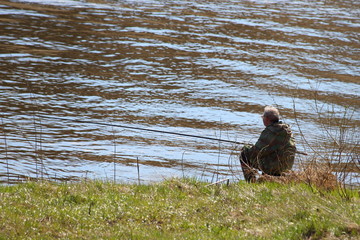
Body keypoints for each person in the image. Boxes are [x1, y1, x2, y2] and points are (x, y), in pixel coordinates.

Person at [240, 106, 296, 182]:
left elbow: (257, 151)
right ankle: (264, 179)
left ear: (266, 119)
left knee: (244, 154)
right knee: (269, 155)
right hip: (287, 167)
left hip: (274, 167)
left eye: (263, 117)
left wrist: (246, 148)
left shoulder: (270, 131)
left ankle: (251, 182)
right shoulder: (287, 131)